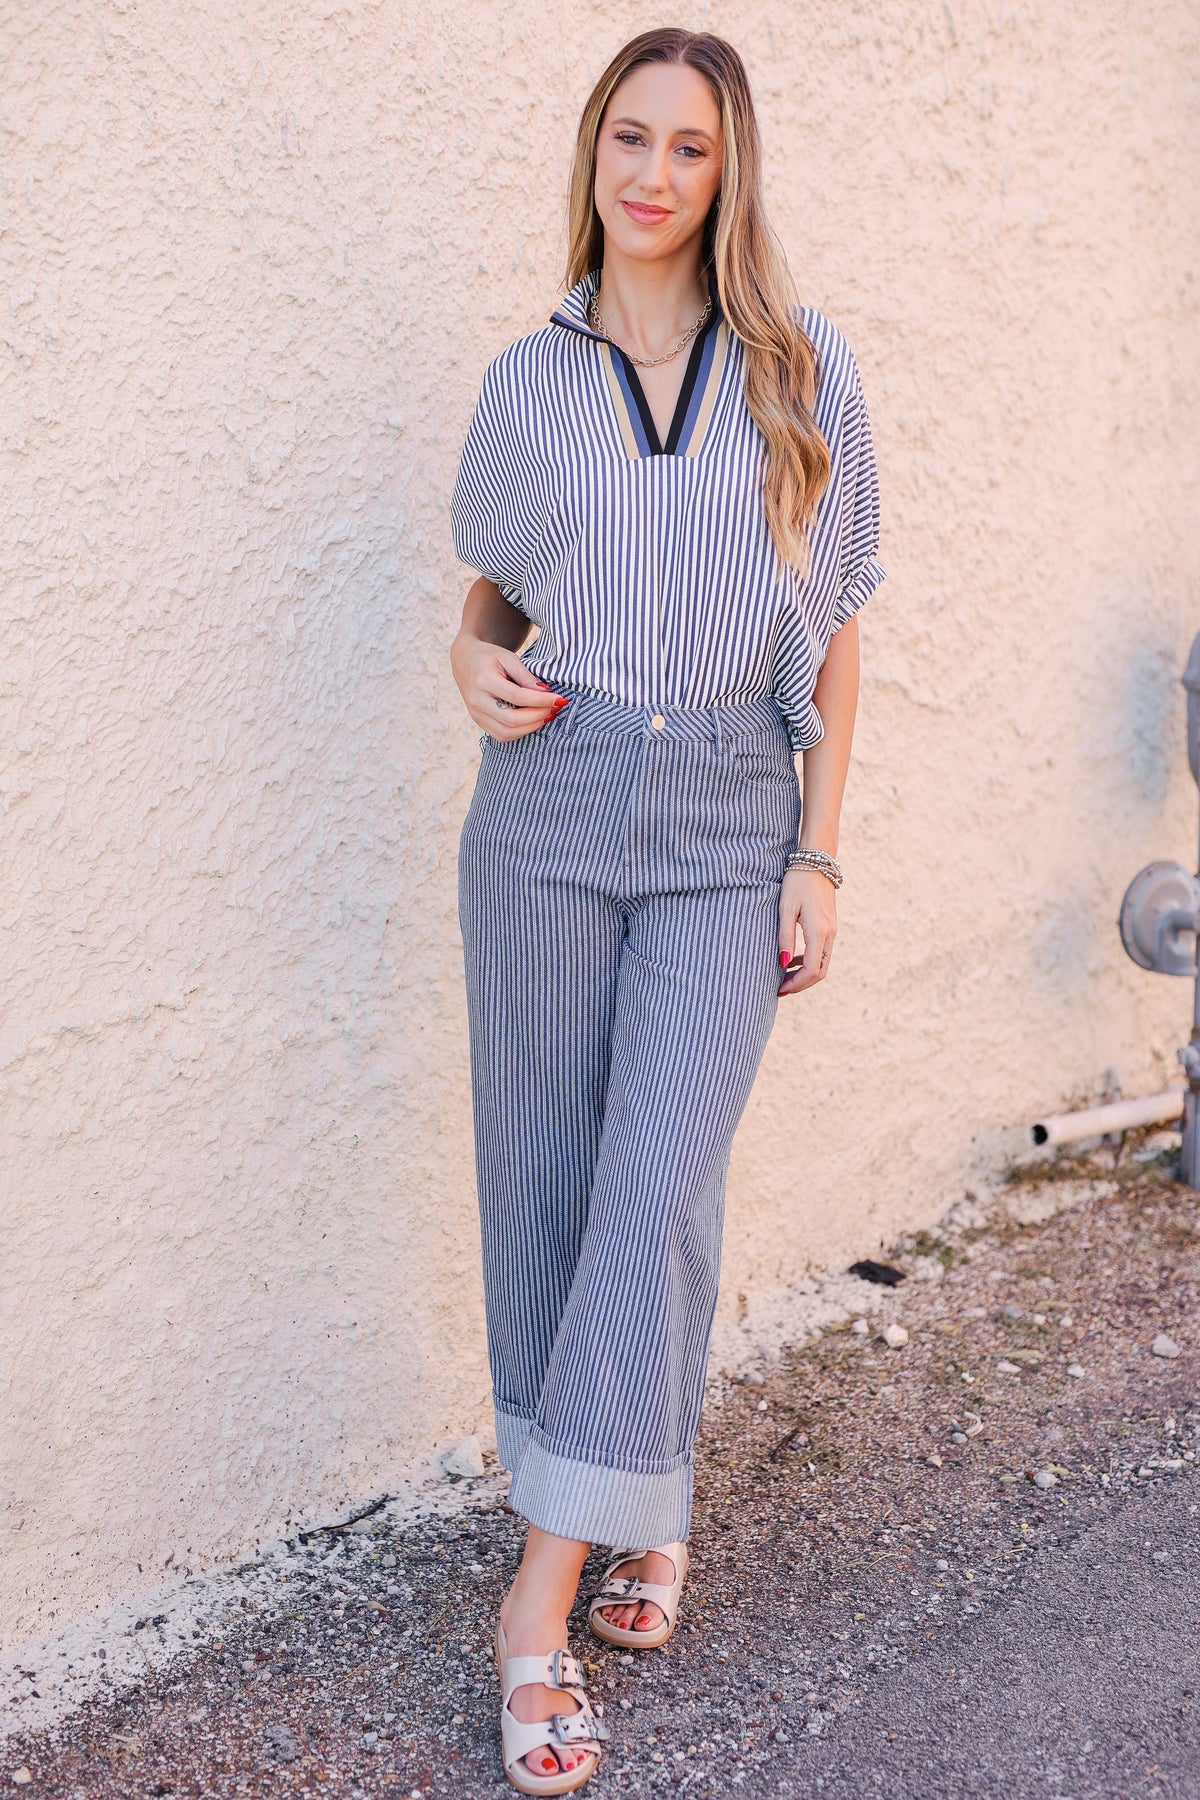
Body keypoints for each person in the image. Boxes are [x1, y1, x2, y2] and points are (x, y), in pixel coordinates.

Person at [449, 26, 884, 1794]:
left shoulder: (802, 370)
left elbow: (838, 624)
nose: (652, 173)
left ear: (730, 172)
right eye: (628, 138)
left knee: (655, 1184)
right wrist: (465, 660)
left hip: (724, 819)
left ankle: (532, 1606)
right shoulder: (526, 381)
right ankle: (642, 1496)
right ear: (594, 155)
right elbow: (496, 593)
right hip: (546, 812)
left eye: (688, 148)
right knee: (555, 1184)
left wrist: (820, 847)